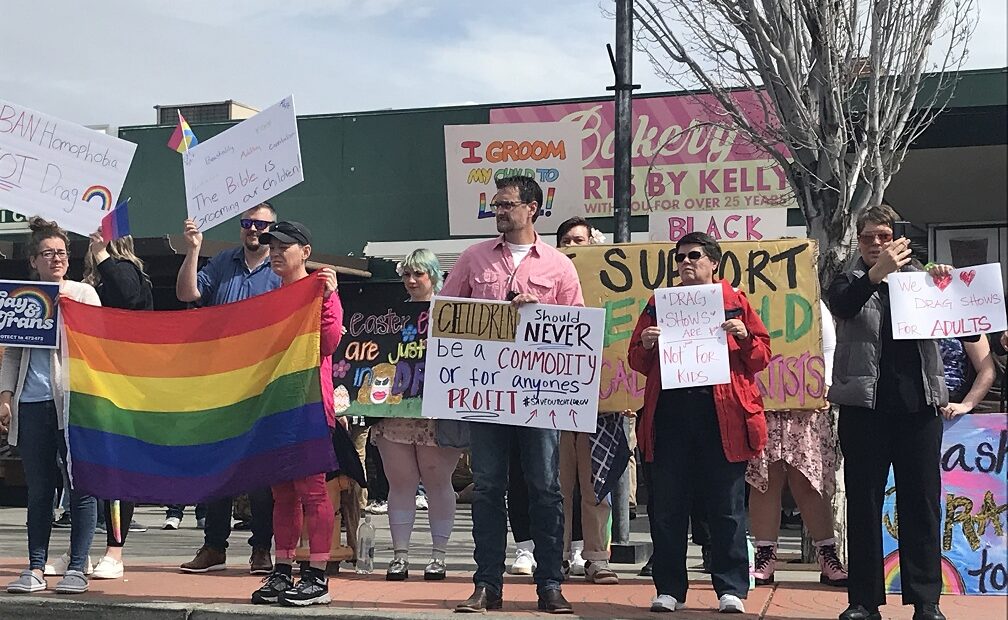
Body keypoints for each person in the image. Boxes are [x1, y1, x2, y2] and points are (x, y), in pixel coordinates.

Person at [442, 176, 581, 614]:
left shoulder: (559, 266)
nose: (498, 211)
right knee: (486, 489)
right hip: (487, 396)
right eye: (495, 205)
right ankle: (486, 585)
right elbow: (445, 316)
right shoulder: (473, 258)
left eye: (506, 204)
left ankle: (550, 585)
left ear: (532, 208)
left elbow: (576, 332)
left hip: (539, 396)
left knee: (545, 487)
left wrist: (540, 312)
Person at [628, 231, 771, 615]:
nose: (685, 263)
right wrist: (645, 343)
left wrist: (743, 338)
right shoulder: (660, 303)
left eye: (693, 256)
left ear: (714, 263)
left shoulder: (735, 302)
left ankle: (731, 589)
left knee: (726, 508)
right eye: (679, 258)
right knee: (668, 509)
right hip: (671, 418)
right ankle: (669, 588)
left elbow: (761, 357)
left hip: (721, 418)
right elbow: (636, 361)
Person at [827, 204, 950, 620]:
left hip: (919, 408)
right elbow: (843, 305)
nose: (876, 245)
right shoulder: (846, 279)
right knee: (864, 503)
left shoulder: (924, 280)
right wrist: (874, 275)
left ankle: (926, 599)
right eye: (867, 238)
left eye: (884, 236)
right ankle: (863, 600)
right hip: (864, 408)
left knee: (921, 503)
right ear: (857, 242)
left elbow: (962, 323)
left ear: (900, 239)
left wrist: (952, 286)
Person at [176, 203, 281, 576]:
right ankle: (213, 546)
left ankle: (261, 549)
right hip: (219, 382)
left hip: (263, 384)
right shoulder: (222, 262)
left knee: (260, 472)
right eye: (247, 223)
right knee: (217, 466)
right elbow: (187, 293)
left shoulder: (282, 268)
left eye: (261, 224)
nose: (253, 230)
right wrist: (192, 249)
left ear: (274, 227)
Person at [3, 217, 101, 595]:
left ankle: (78, 566)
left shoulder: (83, 293)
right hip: (31, 403)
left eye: (61, 252)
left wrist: (69, 311)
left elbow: (98, 342)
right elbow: (12, 352)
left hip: (73, 403)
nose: (56, 258)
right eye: (48, 253)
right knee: (40, 488)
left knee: (81, 485)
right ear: (33, 260)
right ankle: (35, 566)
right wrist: (5, 397)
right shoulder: (22, 295)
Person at [248, 221, 342, 606]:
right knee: (281, 492)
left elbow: (329, 342)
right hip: (277, 407)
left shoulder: (322, 290)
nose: (274, 252)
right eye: (271, 246)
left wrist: (327, 299)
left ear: (305, 251)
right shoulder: (269, 298)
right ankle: (282, 571)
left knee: (312, 490)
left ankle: (317, 577)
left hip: (309, 406)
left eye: (283, 246)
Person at [371, 249, 465, 581]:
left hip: (437, 414)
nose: (411, 281)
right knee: (401, 483)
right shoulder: (388, 316)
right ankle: (399, 556)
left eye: (419, 274)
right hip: (393, 411)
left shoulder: (453, 312)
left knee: (438, 481)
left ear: (433, 276)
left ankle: (438, 556)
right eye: (407, 274)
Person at [747, 300, 848, 587]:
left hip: (805, 403)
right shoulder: (748, 298)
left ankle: (827, 554)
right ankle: (765, 556)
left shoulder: (809, 297)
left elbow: (828, 344)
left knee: (808, 479)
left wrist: (824, 383)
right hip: (760, 401)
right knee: (764, 479)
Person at [81, 231, 155, 580]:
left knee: (116, 470)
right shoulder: (92, 280)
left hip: (124, 387)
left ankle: (115, 549)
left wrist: (103, 257)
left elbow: (128, 297)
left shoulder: (127, 272)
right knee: (87, 467)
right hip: (93, 384)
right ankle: (80, 549)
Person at [554, 217, 618, 584]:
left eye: (579, 239)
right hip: (554, 399)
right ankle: (558, 555)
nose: (573, 245)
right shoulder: (548, 277)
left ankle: (597, 557)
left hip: (601, 402)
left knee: (597, 485)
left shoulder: (612, 283)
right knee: (556, 485)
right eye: (566, 240)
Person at [938, 334, 996, 418]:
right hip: (918, 403)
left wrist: (966, 405)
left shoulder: (968, 325)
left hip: (954, 404)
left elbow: (986, 371)